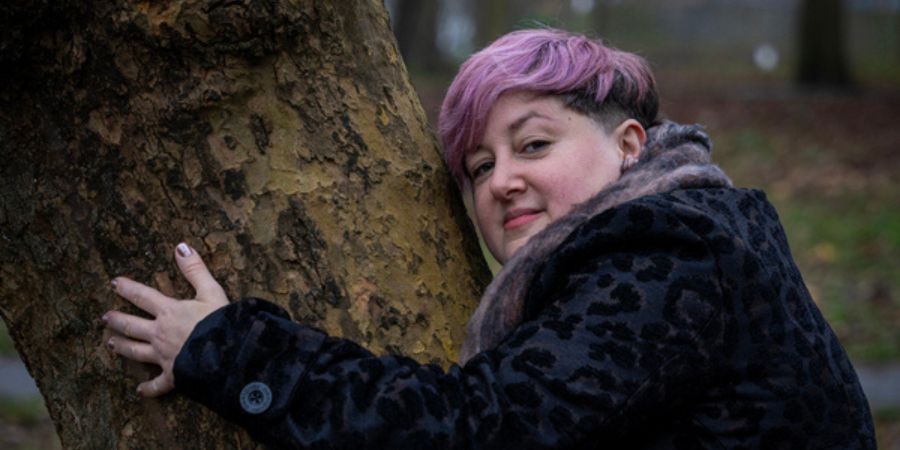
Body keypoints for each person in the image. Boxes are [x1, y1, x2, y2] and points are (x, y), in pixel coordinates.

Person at [102, 28, 875, 448]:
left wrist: (228, 349)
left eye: (533, 144)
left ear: (631, 145)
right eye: (478, 166)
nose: (499, 179)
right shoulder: (703, 236)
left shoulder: (672, 257)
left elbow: (475, 429)